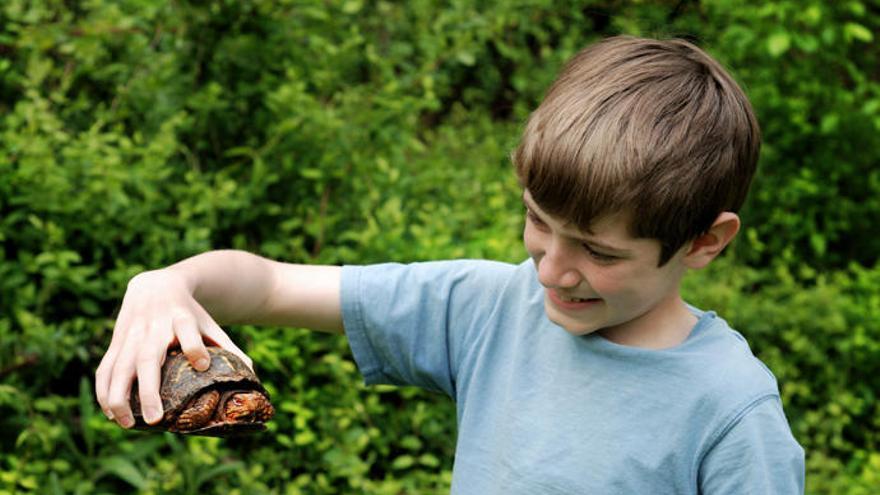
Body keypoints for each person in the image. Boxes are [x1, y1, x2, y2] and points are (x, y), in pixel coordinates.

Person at [96, 35, 805, 493]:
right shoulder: (489, 307)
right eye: (537, 221)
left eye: (598, 250)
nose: (552, 270)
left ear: (705, 241)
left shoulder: (730, 412)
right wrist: (172, 283)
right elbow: (276, 283)